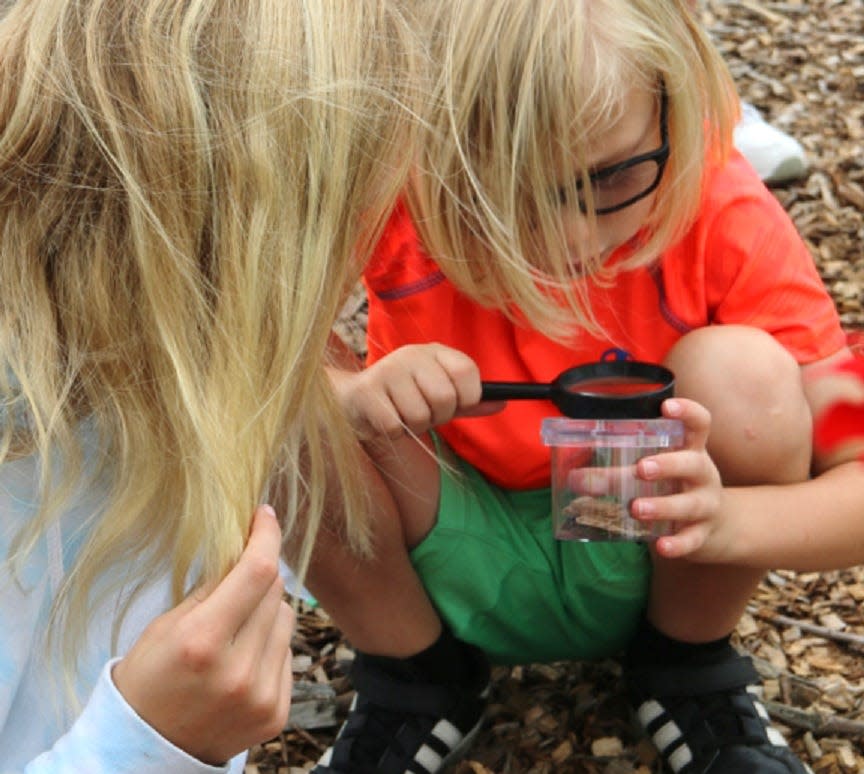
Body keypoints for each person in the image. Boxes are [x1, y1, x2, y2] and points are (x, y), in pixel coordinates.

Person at [306, 1, 855, 772]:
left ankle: (687, 666)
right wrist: (349, 396)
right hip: (440, 547)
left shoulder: (722, 209)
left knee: (744, 374)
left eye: (615, 174)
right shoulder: (393, 180)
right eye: (498, 188)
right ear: (414, 133)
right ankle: (413, 676)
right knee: (289, 410)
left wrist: (724, 521)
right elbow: (232, 365)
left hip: (658, 556)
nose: (566, 237)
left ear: (680, 109)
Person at [0, 1, 421, 771]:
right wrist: (145, 747)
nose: (352, 280)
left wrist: (322, 404)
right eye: (349, 230)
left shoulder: (155, 382)